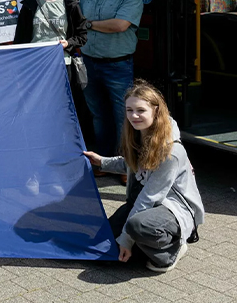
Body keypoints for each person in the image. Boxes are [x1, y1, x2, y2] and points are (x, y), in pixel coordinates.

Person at [84, 80, 204, 273]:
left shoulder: (170, 151)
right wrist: (101, 161)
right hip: (145, 201)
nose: (134, 115)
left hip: (171, 208)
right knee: (102, 251)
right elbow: (133, 164)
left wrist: (126, 239)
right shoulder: (139, 133)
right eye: (129, 110)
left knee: (136, 226)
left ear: (156, 111)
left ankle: (170, 251)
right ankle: (140, 244)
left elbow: (150, 198)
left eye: (140, 110)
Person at [67, 0, 144, 164]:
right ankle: (104, 161)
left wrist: (86, 24)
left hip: (117, 66)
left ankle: (126, 165)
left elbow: (120, 25)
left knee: (124, 117)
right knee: (99, 116)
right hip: (89, 62)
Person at [13, 0, 87, 104]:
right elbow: (19, 40)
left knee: (62, 105)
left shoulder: (71, 4)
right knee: (36, 105)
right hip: (35, 66)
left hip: (63, 65)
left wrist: (68, 43)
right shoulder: (29, 5)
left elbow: (82, 35)